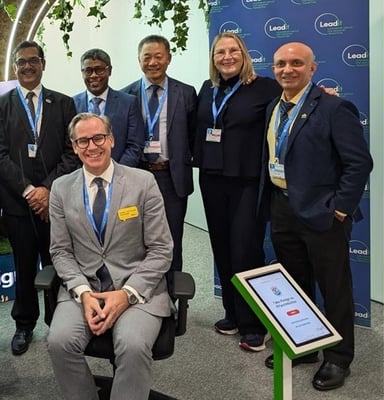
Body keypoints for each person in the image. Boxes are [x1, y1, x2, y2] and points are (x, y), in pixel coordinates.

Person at [259, 42, 373, 390]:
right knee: (296, 283)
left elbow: (359, 163)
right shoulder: (273, 108)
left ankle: (338, 358)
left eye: (296, 63)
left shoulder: (335, 108)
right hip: (282, 207)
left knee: (334, 286)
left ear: (313, 68)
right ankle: (305, 345)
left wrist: (339, 209)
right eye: (280, 64)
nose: (287, 69)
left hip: (322, 212)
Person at [47, 113, 173, 399]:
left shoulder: (144, 182)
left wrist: (126, 293)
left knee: (132, 345)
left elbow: (162, 249)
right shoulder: (61, 188)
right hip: (84, 288)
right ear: (74, 146)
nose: (92, 146)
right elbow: (60, 250)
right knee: (59, 342)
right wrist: (82, 292)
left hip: (137, 288)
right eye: (83, 141)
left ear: (111, 140)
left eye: (98, 138)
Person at [192, 32, 281, 352]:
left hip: (247, 181)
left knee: (246, 250)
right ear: (213, 58)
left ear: (244, 54)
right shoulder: (208, 88)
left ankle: (254, 323)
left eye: (233, 51)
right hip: (212, 178)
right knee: (222, 247)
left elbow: (293, 104)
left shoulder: (266, 87)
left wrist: (325, 94)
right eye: (220, 52)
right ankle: (232, 312)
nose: (226, 57)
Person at [0, 40, 79, 355]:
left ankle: (62, 324)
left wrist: (47, 189)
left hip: (55, 201)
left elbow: (72, 153)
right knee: (24, 266)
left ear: (43, 63)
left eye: (33, 60)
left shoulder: (64, 103)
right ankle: (24, 325)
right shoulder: (0, 105)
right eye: (21, 62)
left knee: (58, 264)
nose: (27, 66)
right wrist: (29, 191)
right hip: (18, 202)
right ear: (14, 67)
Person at [121, 35, 198, 289]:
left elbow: (194, 135)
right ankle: (143, 294)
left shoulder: (186, 93)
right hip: (138, 176)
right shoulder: (126, 95)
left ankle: (173, 300)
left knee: (172, 239)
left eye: (158, 56)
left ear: (169, 58)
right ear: (138, 60)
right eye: (147, 57)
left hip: (171, 177)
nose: (153, 62)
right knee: (137, 238)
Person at [73, 48, 144, 167]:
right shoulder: (71, 104)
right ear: (82, 72)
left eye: (99, 70)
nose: (94, 75)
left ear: (109, 71)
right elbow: (70, 147)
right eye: (88, 71)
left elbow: (135, 146)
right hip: (83, 178)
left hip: (121, 176)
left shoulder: (128, 103)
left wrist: (115, 173)